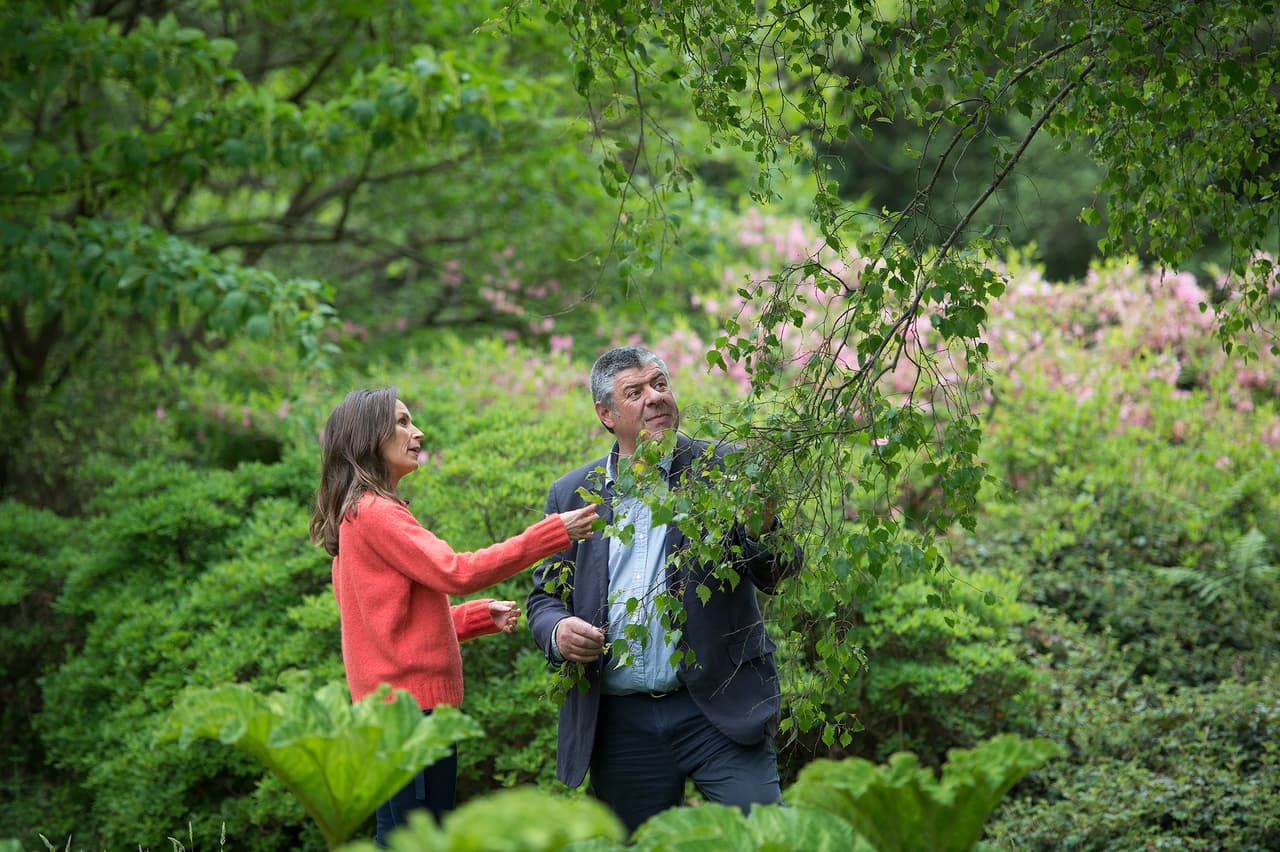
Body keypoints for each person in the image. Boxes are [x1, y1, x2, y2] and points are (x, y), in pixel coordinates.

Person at [526, 346, 802, 833]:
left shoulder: (723, 469)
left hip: (717, 708)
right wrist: (558, 631)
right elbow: (544, 599)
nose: (654, 399)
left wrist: (763, 528)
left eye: (659, 385)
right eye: (634, 393)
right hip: (621, 725)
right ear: (606, 415)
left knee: (768, 840)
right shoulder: (572, 493)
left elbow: (778, 572)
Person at [310, 387, 598, 847]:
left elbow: (387, 627)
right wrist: (551, 533)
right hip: (412, 715)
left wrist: (476, 618)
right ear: (368, 437)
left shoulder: (354, 516)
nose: (417, 432)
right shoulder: (378, 514)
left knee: (401, 835)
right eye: (402, 422)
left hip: (390, 715)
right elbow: (457, 571)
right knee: (416, 840)